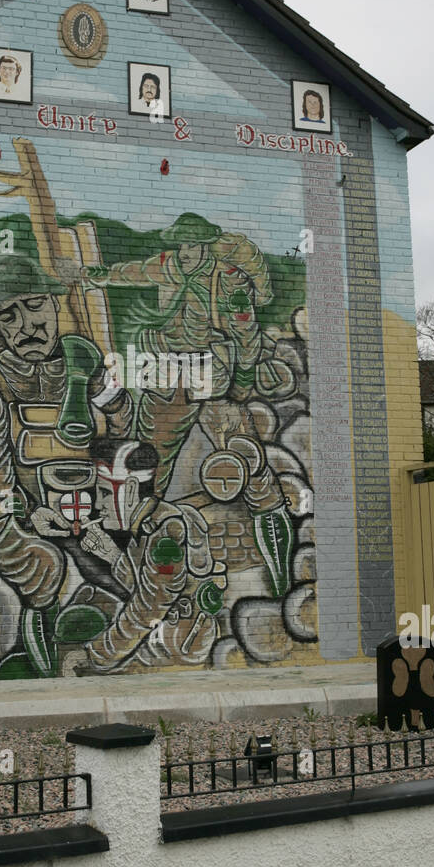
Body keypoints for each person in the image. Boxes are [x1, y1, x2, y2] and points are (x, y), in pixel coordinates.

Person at [81, 212, 295, 598]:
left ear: (205, 245)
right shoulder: (171, 265)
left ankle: (278, 550)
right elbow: (136, 272)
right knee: (149, 462)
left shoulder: (229, 283)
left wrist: (243, 386)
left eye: (192, 244)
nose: (186, 251)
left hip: (211, 377)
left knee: (245, 458)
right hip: (168, 372)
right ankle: (139, 551)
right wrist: (100, 274)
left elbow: (247, 338)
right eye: (182, 244)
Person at [0, 252, 133, 677]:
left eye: (34, 306)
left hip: (86, 505)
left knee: (131, 575)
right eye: (8, 315)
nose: (27, 325)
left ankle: (89, 627)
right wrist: (32, 514)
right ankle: (46, 646)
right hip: (15, 512)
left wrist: (102, 386)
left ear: (53, 304)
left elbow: (125, 427)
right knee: (41, 569)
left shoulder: (81, 359)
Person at [66, 437, 224, 673]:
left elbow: (149, 607)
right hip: (165, 637)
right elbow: (144, 587)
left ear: (129, 489)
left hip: (177, 648)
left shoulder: (167, 534)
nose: (99, 503)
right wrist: (110, 554)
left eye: (105, 493)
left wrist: (95, 655)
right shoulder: (147, 525)